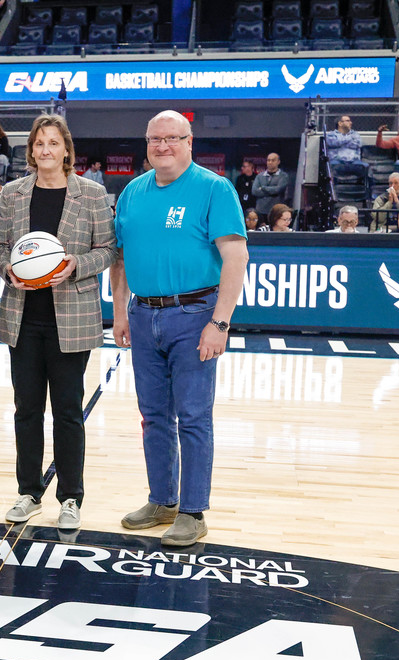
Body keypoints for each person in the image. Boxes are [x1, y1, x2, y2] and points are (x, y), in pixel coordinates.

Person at [110, 110, 249, 547]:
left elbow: (236, 257)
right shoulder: (132, 192)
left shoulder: (214, 188)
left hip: (194, 315)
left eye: (172, 138)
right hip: (142, 313)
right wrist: (119, 313)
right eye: (155, 139)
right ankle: (162, 500)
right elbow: (119, 258)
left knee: (192, 417)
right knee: (153, 417)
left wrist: (220, 323)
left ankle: (192, 511)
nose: (162, 146)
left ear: (190, 142)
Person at [0, 114, 116, 529]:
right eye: (39, 143)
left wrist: (76, 265)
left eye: (53, 143)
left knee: (67, 412)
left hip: (71, 319)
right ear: (31, 150)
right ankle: (28, 493)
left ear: (66, 150)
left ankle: (70, 497)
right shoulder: (13, 193)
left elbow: (108, 250)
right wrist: (7, 269)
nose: (45, 150)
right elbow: (0, 246)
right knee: (26, 410)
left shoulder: (91, 193)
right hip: (23, 318)